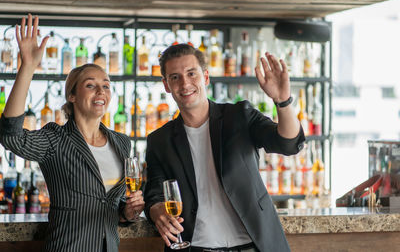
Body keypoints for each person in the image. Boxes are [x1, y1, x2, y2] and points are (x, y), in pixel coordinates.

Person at [0, 14, 145, 252]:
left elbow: (113, 203)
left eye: (106, 85)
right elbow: (11, 137)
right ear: (72, 96)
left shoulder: (121, 143)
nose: (101, 90)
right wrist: (28, 67)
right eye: (90, 85)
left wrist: (127, 212)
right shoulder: (55, 138)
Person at [144, 44, 305, 252]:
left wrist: (283, 101)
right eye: (175, 77)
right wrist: (157, 211)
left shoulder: (240, 116)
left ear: (206, 77)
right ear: (166, 85)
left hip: (255, 246)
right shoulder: (159, 140)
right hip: (196, 247)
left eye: (191, 74)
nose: (185, 84)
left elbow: (288, 143)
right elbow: (154, 193)